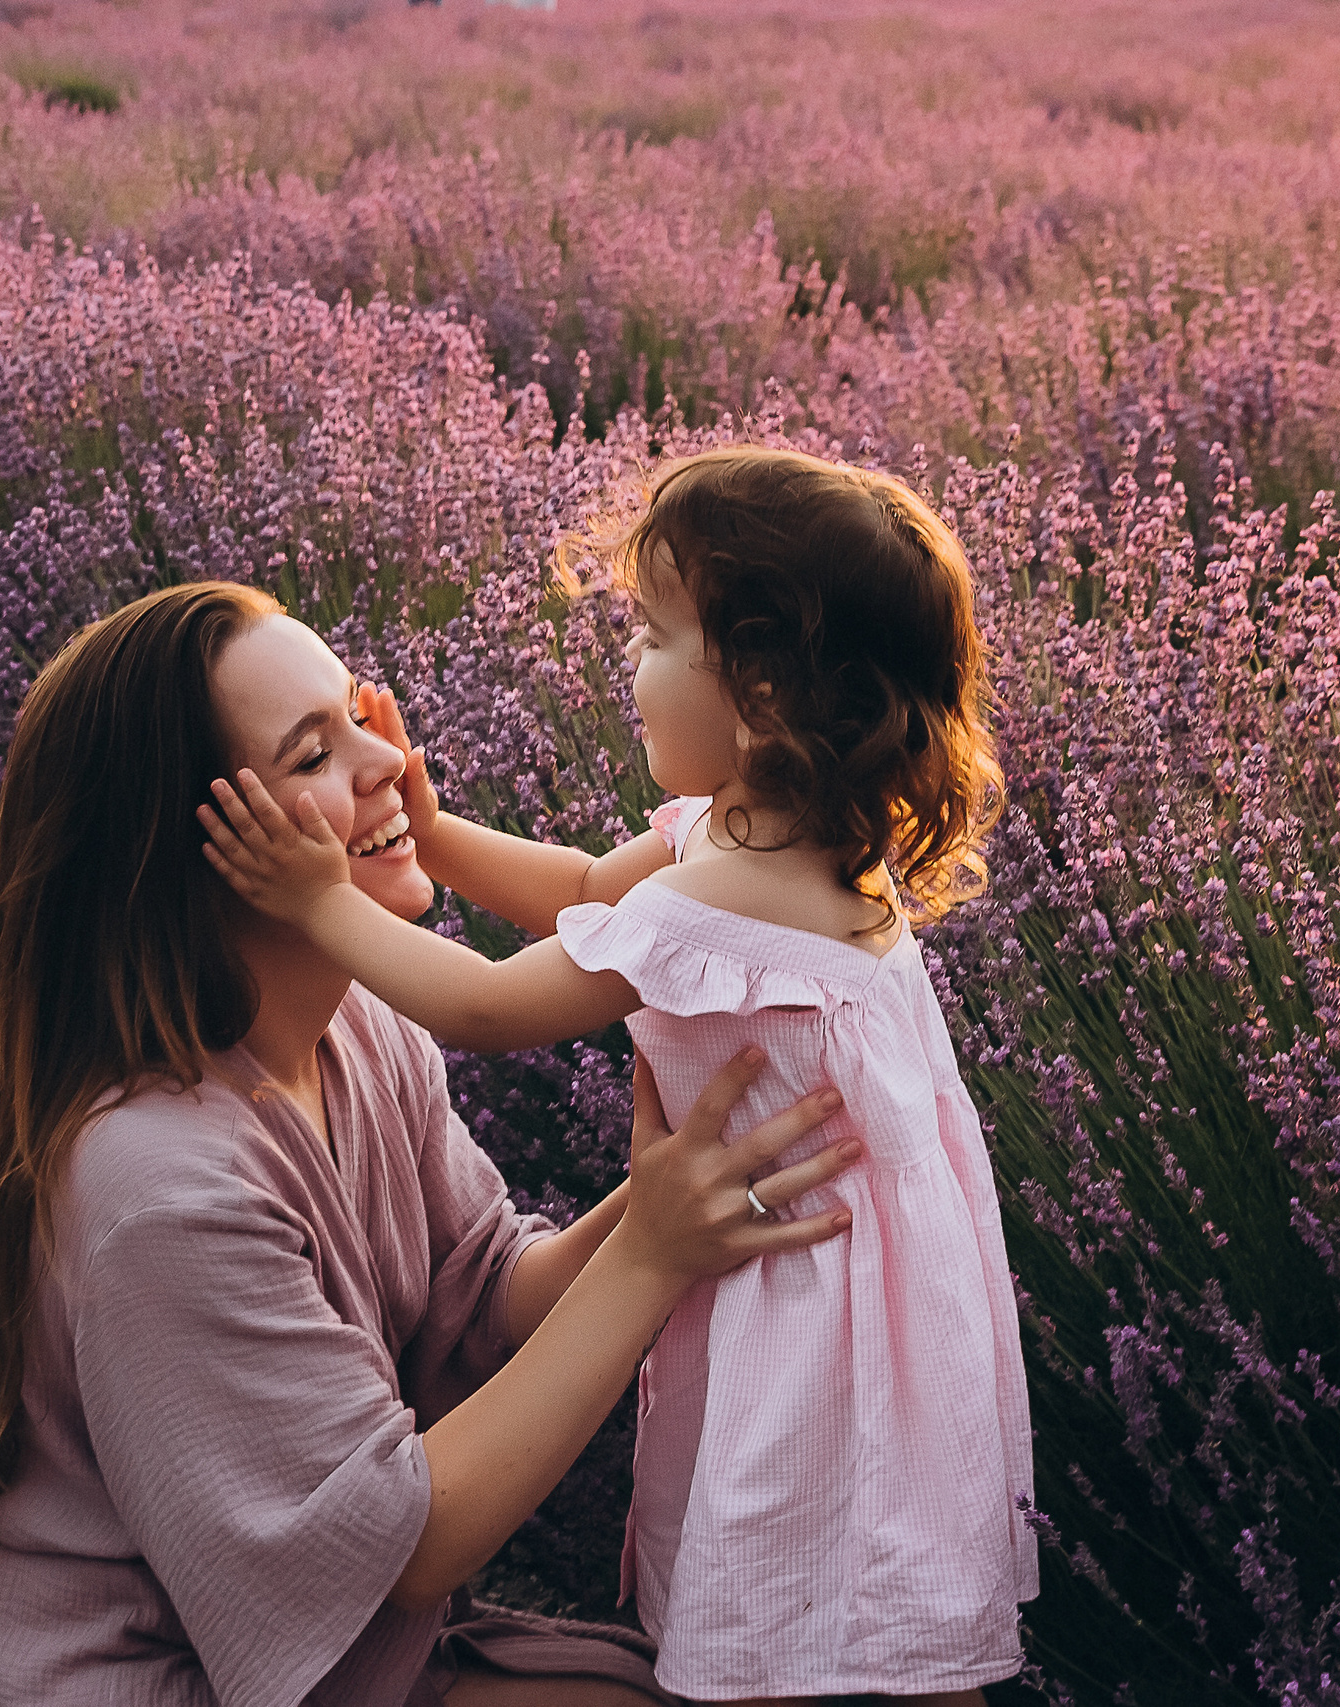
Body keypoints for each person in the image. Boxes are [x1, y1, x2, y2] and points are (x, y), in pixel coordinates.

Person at [0, 579, 862, 1707]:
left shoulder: (360, 1028)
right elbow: (404, 1545)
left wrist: (673, 1192)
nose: (387, 764)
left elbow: (487, 1291)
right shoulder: (162, 1185)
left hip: (346, 1663)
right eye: (313, 755)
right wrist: (652, 1252)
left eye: (361, 716)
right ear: (185, 849)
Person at [199, 447, 1039, 1706]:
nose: (626, 667)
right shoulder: (768, 844)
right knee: (880, 1621)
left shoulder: (731, 894)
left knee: (807, 1610)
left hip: (807, 1314)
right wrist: (427, 832)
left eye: (651, 637)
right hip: (847, 1286)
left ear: (758, 689)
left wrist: (322, 898)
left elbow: (484, 1006)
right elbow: (588, 890)